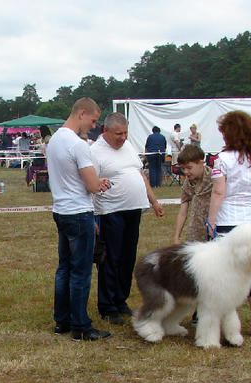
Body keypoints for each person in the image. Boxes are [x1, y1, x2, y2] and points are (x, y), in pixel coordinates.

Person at [46, 97, 111, 341]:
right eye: (93, 120)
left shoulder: (54, 141)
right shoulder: (78, 145)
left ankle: (62, 320)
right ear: (82, 113)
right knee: (81, 272)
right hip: (78, 213)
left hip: (61, 210)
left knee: (64, 268)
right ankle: (81, 326)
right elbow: (92, 185)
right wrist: (100, 184)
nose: (94, 126)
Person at [91, 113, 164, 324]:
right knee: (110, 258)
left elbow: (140, 175)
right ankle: (107, 305)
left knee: (128, 258)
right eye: (118, 134)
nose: (122, 138)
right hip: (109, 211)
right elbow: (90, 183)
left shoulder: (128, 146)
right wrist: (92, 217)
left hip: (134, 210)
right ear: (106, 130)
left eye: (125, 133)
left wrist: (154, 201)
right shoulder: (94, 152)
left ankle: (121, 300)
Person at [207, 110, 251, 338]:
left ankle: (227, 320)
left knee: (226, 271)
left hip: (228, 221)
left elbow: (218, 191)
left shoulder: (221, 160)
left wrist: (211, 221)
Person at [173, 144, 212, 245]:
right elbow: (183, 211)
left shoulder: (214, 179)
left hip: (213, 231)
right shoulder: (188, 183)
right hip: (195, 233)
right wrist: (177, 237)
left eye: (189, 168)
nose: (186, 172)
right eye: (183, 168)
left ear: (201, 163)